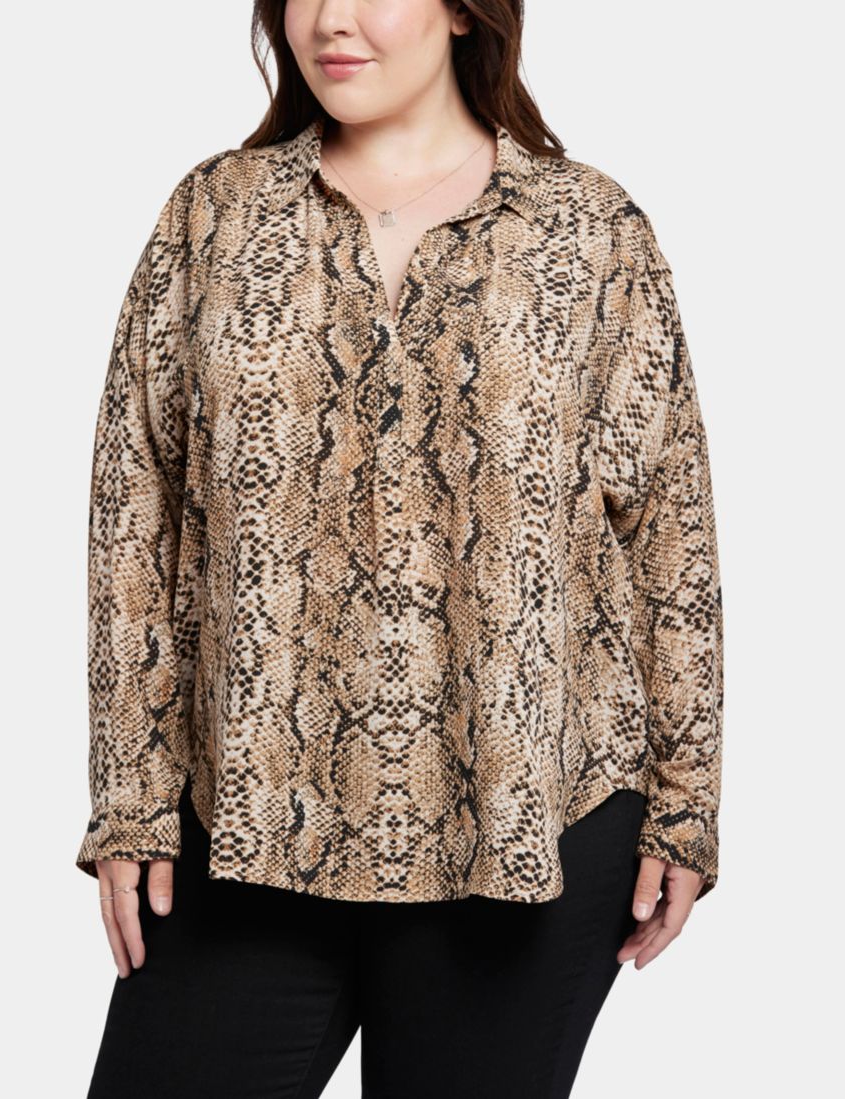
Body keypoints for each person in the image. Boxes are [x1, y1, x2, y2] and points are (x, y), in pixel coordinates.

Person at [77, 2, 724, 1096]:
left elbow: (669, 534)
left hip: (528, 817)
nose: (330, 19)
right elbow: (135, 507)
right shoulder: (216, 216)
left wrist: (685, 802)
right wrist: (132, 793)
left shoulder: (591, 231)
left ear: (465, 9)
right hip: (249, 816)